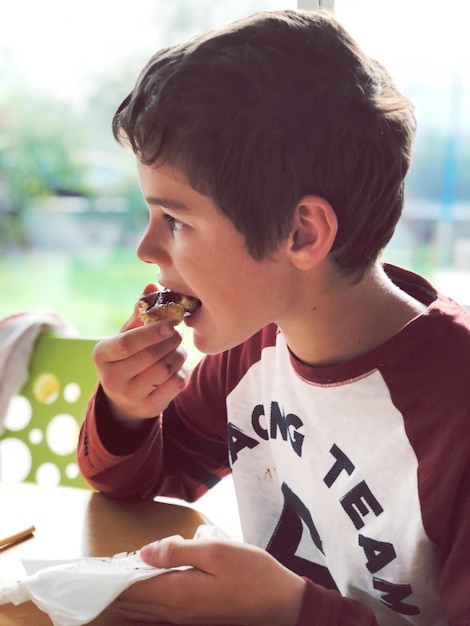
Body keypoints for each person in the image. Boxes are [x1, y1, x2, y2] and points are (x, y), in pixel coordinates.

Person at [77, 8, 470, 626]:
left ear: (300, 232)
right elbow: (144, 488)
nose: (146, 250)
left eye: (175, 220)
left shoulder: (456, 412)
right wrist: (129, 412)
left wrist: (289, 610)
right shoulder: (256, 350)